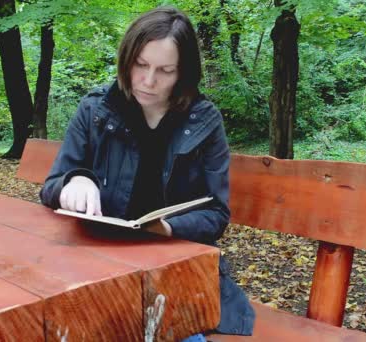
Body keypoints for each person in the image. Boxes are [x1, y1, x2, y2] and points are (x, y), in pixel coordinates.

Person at [39, 6, 255, 339]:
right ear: (126, 59)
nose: (149, 81)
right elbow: (51, 185)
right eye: (140, 65)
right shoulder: (95, 110)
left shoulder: (204, 121)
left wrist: (166, 227)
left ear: (182, 73)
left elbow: (216, 213)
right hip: (98, 265)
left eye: (165, 70)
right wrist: (74, 181)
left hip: (174, 272)